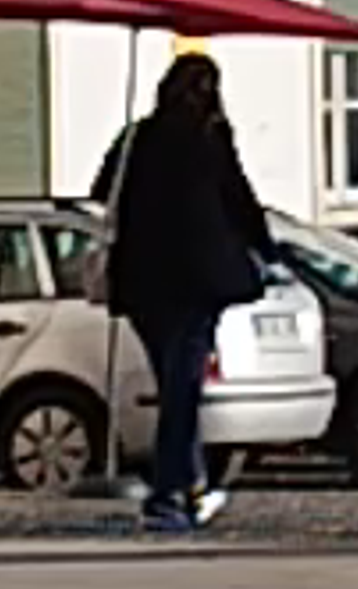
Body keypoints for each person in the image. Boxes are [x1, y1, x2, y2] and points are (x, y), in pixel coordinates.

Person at [102, 48, 273, 535]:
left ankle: (191, 484)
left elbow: (104, 191)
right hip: (197, 282)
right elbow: (239, 199)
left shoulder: (140, 137)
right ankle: (168, 493)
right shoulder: (209, 138)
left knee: (175, 385)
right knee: (183, 391)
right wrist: (267, 252)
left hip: (144, 283)